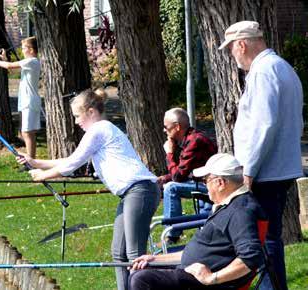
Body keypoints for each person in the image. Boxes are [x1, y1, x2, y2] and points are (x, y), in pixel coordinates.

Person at [16, 89, 158, 290]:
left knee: (135, 255)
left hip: (140, 191)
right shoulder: (100, 131)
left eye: (77, 115)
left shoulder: (99, 129)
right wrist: (35, 162)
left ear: (91, 112)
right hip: (130, 194)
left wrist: (43, 176)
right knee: (119, 253)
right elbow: (71, 160)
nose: (76, 121)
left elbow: (71, 165)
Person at [221, 20, 304, 290]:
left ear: (242, 44)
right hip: (277, 169)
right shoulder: (282, 67)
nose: (232, 56)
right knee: (267, 240)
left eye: (231, 49)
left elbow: (263, 125)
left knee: (263, 241)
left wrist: (248, 172)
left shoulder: (263, 71)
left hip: (265, 173)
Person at [129, 153, 267, 290]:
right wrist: (154, 259)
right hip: (191, 272)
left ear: (220, 183)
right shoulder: (230, 205)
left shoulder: (240, 211)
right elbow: (195, 253)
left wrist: (212, 278)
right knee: (139, 271)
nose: (205, 185)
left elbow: (251, 258)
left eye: (206, 180)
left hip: (206, 282)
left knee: (142, 279)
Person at [157, 108, 217, 243]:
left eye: (166, 127)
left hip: (211, 186)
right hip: (202, 183)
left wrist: (169, 153)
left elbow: (179, 177)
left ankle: (172, 235)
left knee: (171, 188)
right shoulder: (191, 139)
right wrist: (164, 178)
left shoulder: (194, 141)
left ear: (177, 127)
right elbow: (186, 171)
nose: (164, 130)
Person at [0, 36, 42, 158]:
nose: (22, 49)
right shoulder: (29, 63)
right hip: (26, 101)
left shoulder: (32, 61)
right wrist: (4, 58)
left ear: (31, 50)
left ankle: (31, 161)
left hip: (29, 102)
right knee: (26, 133)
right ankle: (30, 159)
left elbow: (9, 66)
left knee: (27, 133)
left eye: (24, 47)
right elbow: (14, 71)